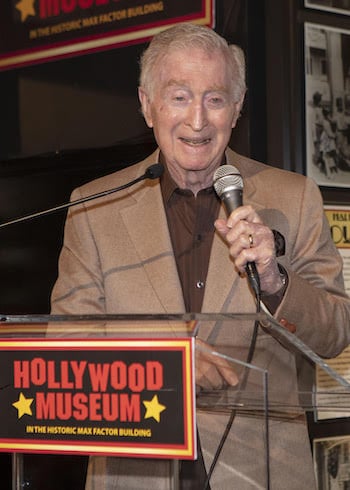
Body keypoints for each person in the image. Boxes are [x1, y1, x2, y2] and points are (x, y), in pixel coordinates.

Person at [50, 22, 350, 489]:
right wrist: (166, 366)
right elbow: (65, 352)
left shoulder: (293, 198)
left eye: (214, 99)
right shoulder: (94, 207)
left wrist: (274, 280)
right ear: (147, 106)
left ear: (237, 107)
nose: (197, 121)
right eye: (179, 97)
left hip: (261, 473)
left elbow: (334, 332)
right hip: (133, 473)